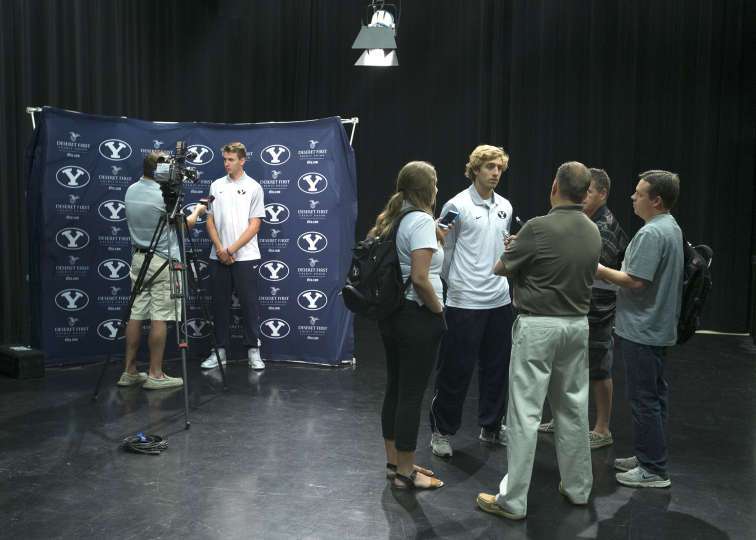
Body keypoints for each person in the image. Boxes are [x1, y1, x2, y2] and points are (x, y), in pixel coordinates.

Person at [476, 161, 601, 520]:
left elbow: (501, 267)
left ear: (554, 187)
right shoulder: (592, 230)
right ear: (584, 192)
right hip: (577, 326)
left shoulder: (537, 228)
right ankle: (578, 489)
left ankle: (513, 500)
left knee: (525, 414)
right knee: (574, 411)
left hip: (539, 328)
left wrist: (517, 250)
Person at [596, 170, 683, 489]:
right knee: (655, 397)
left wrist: (601, 269)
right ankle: (649, 455)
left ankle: (654, 469)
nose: (633, 197)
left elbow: (635, 280)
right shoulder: (669, 227)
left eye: (639, 193)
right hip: (655, 328)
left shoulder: (651, 234)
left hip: (642, 330)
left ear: (656, 200)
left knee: (644, 399)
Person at [429, 145, 514, 457]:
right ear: (475, 169)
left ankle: (491, 427)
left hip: (500, 300)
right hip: (465, 302)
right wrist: (454, 285)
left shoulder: (505, 206)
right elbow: (441, 245)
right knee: (455, 370)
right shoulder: (457, 204)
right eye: (489, 167)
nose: (495, 173)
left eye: (499, 168)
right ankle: (441, 431)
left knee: (496, 369)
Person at [539, 168, 628, 449]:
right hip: (577, 306)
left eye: (589, 192)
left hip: (599, 310)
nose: (583, 197)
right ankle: (560, 418)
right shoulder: (584, 221)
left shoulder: (605, 227)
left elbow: (593, 268)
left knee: (599, 369)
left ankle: (602, 428)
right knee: (564, 364)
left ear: (602, 194)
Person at [373, 161, 447, 490]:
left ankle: (395, 461)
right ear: (427, 188)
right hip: (416, 316)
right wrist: (438, 308)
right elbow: (419, 278)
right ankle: (406, 472)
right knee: (411, 395)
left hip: (392, 316)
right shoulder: (420, 222)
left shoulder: (392, 218)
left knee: (396, 388)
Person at [117, 151, 206, 390]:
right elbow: (184, 224)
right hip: (164, 261)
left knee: (136, 313)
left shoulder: (131, 190)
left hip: (138, 260)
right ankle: (155, 374)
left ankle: (130, 371)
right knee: (161, 316)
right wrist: (198, 211)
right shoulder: (162, 197)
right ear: (161, 173)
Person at [201, 142, 266, 371]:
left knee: (249, 305)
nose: (226, 163)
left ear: (242, 160)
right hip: (217, 256)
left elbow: (255, 225)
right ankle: (219, 352)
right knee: (219, 306)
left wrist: (231, 250)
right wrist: (220, 248)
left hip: (245, 257)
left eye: (231, 159)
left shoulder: (254, 187)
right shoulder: (216, 185)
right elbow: (209, 219)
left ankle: (253, 351)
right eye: (225, 159)